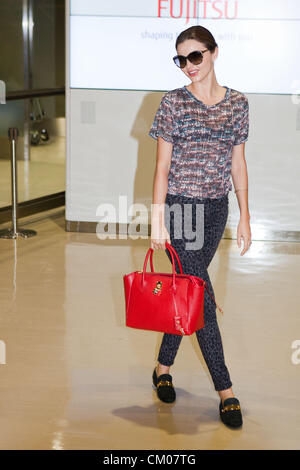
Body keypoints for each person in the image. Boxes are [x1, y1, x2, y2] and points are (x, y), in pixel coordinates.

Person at [148, 25, 251, 429]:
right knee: (199, 291)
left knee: (187, 289)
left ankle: (162, 367)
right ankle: (226, 390)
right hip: (180, 209)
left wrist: (245, 214)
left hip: (216, 209)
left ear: (214, 53)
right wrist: (158, 217)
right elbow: (161, 167)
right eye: (181, 59)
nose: (188, 66)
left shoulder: (238, 104)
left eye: (195, 56)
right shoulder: (172, 103)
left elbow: (238, 163)